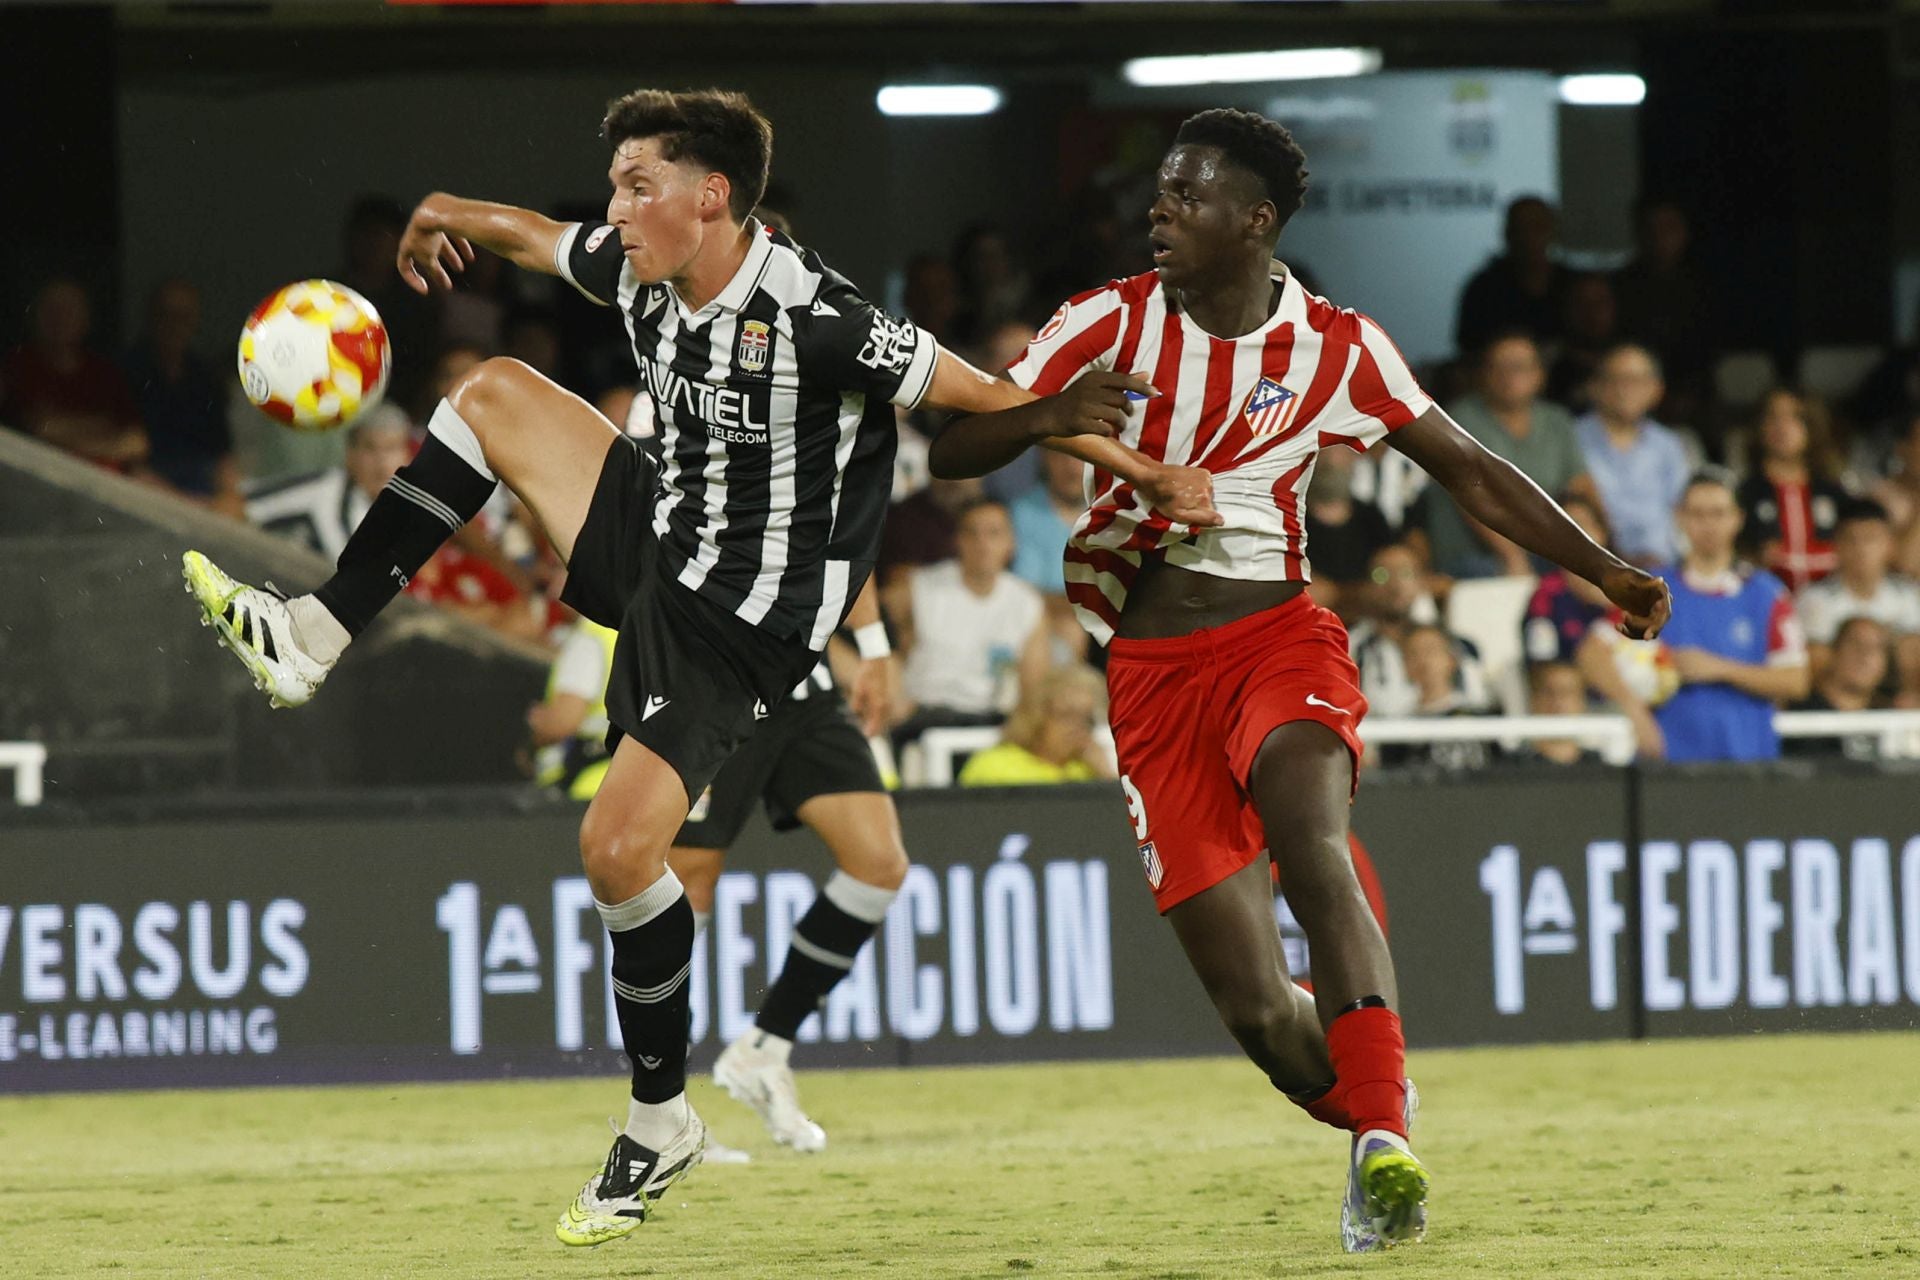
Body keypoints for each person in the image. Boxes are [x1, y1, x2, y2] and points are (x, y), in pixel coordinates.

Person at [181, 87, 1215, 1250]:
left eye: (636, 186)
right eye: (616, 185)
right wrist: (443, 209)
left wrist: (1142, 469)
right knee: (488, 394)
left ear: (709, 198)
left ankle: (659, 1115)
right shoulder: (638, 265)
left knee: (616, 850)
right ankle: (312, 635)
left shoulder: (819, 314)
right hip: (658, 532)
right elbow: (533, 235)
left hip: (748, 626)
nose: (614, 209)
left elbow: (988, 397)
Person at [927, 108, 1669, 1253]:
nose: (1158, 211)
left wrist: (1606, 567)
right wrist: (1046, 417)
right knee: (1261, 1009)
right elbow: (951, 446)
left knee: (1314, 843)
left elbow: (1470, 469)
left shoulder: (1338, 345)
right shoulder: (1102, 322)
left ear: (1255, 219)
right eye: (1158, 192)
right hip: (1152, 672)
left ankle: (1377, 1127)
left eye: (1186, 194)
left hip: (1281, 636)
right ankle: (1382, 1126)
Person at [1581, 469, 1803, 763]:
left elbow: (1796, 680)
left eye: (1718, 513)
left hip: (1749, 761)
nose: (1708, 525)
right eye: (1698, 514)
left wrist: (1719, 668)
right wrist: (1633, 710)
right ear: (1679, 517)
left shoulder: (1766, 594)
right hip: (1669, 765)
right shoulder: (1654, 590)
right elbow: (1591, 654)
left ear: (1738, 518)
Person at [1422, 330, 1589, 579]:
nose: (1508, 376)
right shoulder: (1459, 419)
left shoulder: (1557, 420)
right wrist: (1512, 557)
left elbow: (1582, 487)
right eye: (1498, 367)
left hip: (1543, 551)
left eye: (1518, 367)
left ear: (1539, 375)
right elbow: (1472, 496)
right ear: (1483, 375)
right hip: (1473, 556)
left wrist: (1608, 550)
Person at [891, 497, 1050, 736]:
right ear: (958, 540)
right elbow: (883, 649)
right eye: (972, 533)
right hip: (924, 718)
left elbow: (1035, 687)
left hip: (995, 725)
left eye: (994, 533)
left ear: (1011, 542)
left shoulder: (1027, 604)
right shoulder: (918, 589)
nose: (982, 543)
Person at [1, 278, 147, 470]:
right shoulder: (16, 365)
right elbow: (40, 429)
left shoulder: (104, 372)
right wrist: (98, 427)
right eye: (53, 311)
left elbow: (137, 442)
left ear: (85, 320)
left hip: (107, 476)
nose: (61, 319)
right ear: (35, 316)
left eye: (70, 311)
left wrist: (70, 435)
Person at [121, 278, 238, 510]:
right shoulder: (127, 371)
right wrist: (196, 505)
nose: (175, 325)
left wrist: (230, 497)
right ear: (151, 318)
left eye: (184, 317)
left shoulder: (204, 377)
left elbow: (223, 456)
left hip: (203, 484)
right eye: (166, 315)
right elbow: (128, 463)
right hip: (148, 487)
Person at [1573, 343, 1691, 566]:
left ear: (1657, 389)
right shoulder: (1572, 438)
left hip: (1663, 569)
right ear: (1595, 386)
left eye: (1636, 381)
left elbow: (1683, 511)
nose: (1624, 389)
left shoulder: (1669, 446)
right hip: (1593, 569)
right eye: (1616, 379)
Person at [245, 406, 413, 560]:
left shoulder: (413, 513)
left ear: (407, 455)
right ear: (350, 455)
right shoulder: (324, 490)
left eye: (391, 448)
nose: (381, 461)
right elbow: (240, 505)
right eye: (370, 448)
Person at [1349, 542, 1492, 717]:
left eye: (1406, 573)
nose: (1395, 585)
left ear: (1423, 581)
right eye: (1381, 575)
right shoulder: (1349, 649)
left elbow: (1475, 702)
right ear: (1366, 586)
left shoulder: (1458, 646)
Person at [1735, 389, 1848, 592]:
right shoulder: (1743, 494)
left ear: (1812, 427)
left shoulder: (1836, 493)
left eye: (1794, 417)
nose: (1782, 426)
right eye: (1773, 416)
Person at [1794, 499, 1920, 678]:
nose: (1861, 549)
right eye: (1851, 539)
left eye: (1870, 539)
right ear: (1836, 546)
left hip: (1895, 697)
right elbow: (1815, 667)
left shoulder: (1907, 595)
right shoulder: (1816, 599)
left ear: (1890, 545)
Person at [1453, 195, 1574, 355]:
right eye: (1521, 228)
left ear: (1552, 230)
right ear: (1508, 233)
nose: (1529, 237)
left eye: (1537, 227)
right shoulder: (1484, 289)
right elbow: (1470, 348)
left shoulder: (1573, 285)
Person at [958, 663, 1112, 785]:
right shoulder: (993, 766)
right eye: (1067, 715)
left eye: (1087, 719)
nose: (1077, 727)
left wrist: (1106, 775)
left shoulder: (1087, 771)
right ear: (1038, 715)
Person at [1521, 494, 1616, 668]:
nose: (1577, 535)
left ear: (1602, 532)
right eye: (1566, 528)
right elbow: (1542, 666)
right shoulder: (1545, 597)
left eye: (1583, 525)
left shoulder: (1630, 587)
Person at [1784, 616, 1891, 761]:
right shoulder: (1802, 716)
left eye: (1875, 648)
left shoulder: (1890, 716)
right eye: (1856, 645)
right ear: (1833, 652)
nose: (1865, 657)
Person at [1509, 661, 1605, 767]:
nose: (1557, 701)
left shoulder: (1603, 771)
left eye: (1566, 691)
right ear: (1533, 700)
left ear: (1582, 701)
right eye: (1548, 691)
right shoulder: (1510, 769)